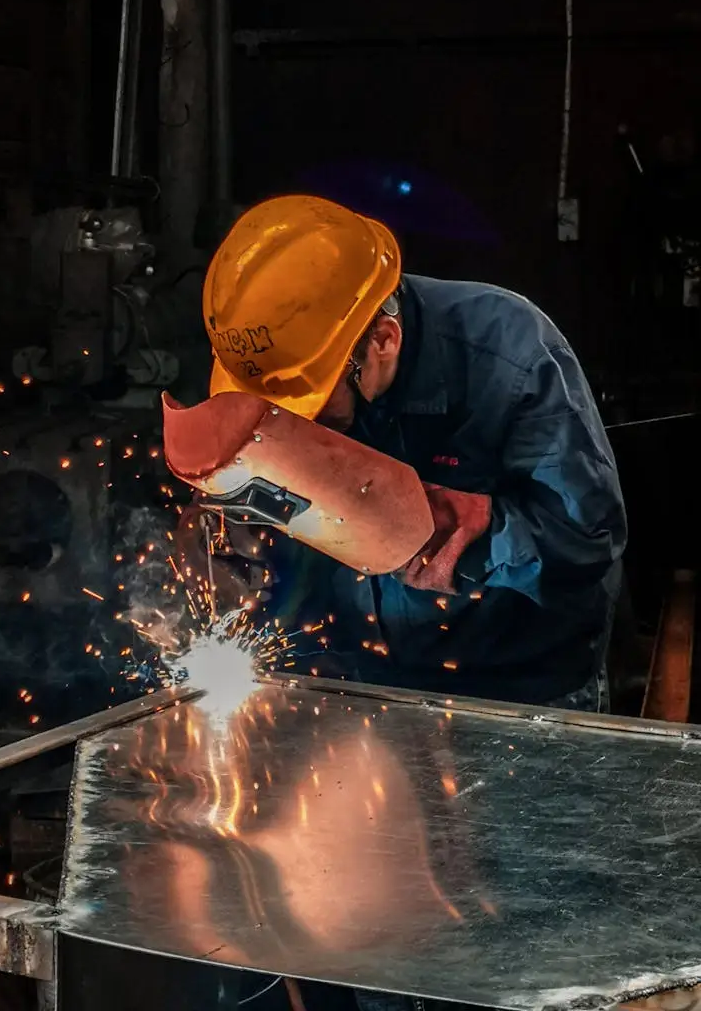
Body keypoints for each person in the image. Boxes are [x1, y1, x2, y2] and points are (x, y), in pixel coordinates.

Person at [172, 193, 627, 1011]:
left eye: (310, 408)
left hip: (517, 695)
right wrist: (240, 552)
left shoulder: (508, 351)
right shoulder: (280, 356)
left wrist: (452, 533)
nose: (291, 424)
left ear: (380, 340)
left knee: (519, 951)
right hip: (364, 697)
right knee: (379, 944)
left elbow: (585, 540)